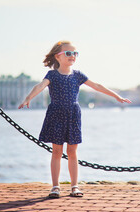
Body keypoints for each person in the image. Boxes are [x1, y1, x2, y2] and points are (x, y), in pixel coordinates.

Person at [18, 40, 131, 198]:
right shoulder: (52, 75)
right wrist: (28, 98)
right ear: (58, 56)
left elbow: (97, 86)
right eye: (69, 53)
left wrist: (116, 96)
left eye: (75, 53)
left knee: (72, 151)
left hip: (73, 114)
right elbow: (40, 86)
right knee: (56, 151)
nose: (73, 56)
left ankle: (74, 186)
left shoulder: (78, 75)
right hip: (56, 113)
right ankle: (55, 187)